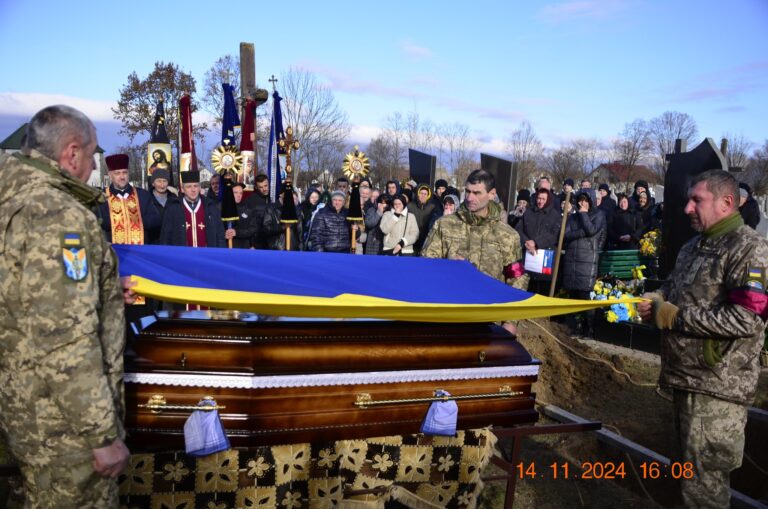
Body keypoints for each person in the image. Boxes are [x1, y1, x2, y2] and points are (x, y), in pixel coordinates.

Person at [0, 105, 130, 507]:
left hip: (26, 409)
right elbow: (65, 338)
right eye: (91, 155)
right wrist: (102, 436)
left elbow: (28, 297)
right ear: (71, 154)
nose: (93, 167)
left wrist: (104, 289)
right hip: (65, 430)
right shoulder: (57, 214)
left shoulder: (14, 200)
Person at [637, 170, 768, 508]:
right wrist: (657, 296)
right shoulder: (694, 246)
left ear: (727, 202)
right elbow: (674, 287)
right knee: (685, 480)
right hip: (685, 380)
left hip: (717, 390)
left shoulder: (749, 249)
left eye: (697, 200)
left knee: (703, 490)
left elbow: (747, 318)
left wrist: (675, 317)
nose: (687, 209)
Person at [422, 169, 527, 335]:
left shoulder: (507, 235)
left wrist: (511, 321)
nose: (470, 198)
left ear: (492, 194)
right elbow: (425, 266)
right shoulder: (444, 225)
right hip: (447, 316)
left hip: (487, 320)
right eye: (468, 191)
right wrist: (447, 267)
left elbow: (516, 277)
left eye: (477, 193)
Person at [561, 189, 607, 336]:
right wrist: (581, 234)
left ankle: (589, 329)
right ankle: (572, 327)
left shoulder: (599, 215)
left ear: (591, 201)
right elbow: (565, 235)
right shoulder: (572, 217)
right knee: (572, 295)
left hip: (587, 259)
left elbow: (592, 230)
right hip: (572, 258)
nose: (582, 203)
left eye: (585, 200)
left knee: (585, 295)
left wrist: (583, 214)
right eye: (580, 200)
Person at [98, 153, 161, 244]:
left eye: (124, 172)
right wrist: (119, 220)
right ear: (110, 175)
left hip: (139, 251)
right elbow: (98, 221)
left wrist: (135, 221)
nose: (122, 177)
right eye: (117, 173)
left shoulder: (142, 195)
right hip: (113, 252)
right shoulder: (102, 197)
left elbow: (155, 219)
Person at [159, 170, 226, 247]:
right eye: (189, 186)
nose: (193, 190)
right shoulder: (173, 208)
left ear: (200, 188)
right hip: (182, 257)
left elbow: (220, 235)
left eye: (195, 186)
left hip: (206, 256)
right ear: (183, 189)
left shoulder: (210, 207)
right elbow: (165, 237)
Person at [516, 188, 562, 294]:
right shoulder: (528, 212)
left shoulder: (555, 215)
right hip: (527, 257)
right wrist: (526, 242)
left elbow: (554, 235)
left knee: (542, 290)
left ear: (548, 200)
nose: (540, 201)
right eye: (538, 198)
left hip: (545, 259)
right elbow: (518, 229)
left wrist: (536, 242)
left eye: (543, 199)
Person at [147, 168, 179, 244]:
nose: (162, 185)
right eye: (159, 181)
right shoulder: (146, 199)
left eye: (165, 181)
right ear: (153, 183)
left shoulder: (174, 199)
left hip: (171, 243)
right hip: (152, 243)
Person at [224, 183, 260, 249]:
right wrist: (224, 234)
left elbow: (253, 229)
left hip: (243, 247)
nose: (238, 195)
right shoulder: (221, 208)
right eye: (235, 193)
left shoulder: (247, 209)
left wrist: (236, 232)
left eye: (241, 193)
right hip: (226, 247)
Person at [407, 184, 438, 255]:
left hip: (426, 240)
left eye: (425, 194)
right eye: (421, 193)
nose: (423, 196)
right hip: (412, 241)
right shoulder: (410, 206)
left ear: (428, 195)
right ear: (418, 194)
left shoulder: (432, 207)